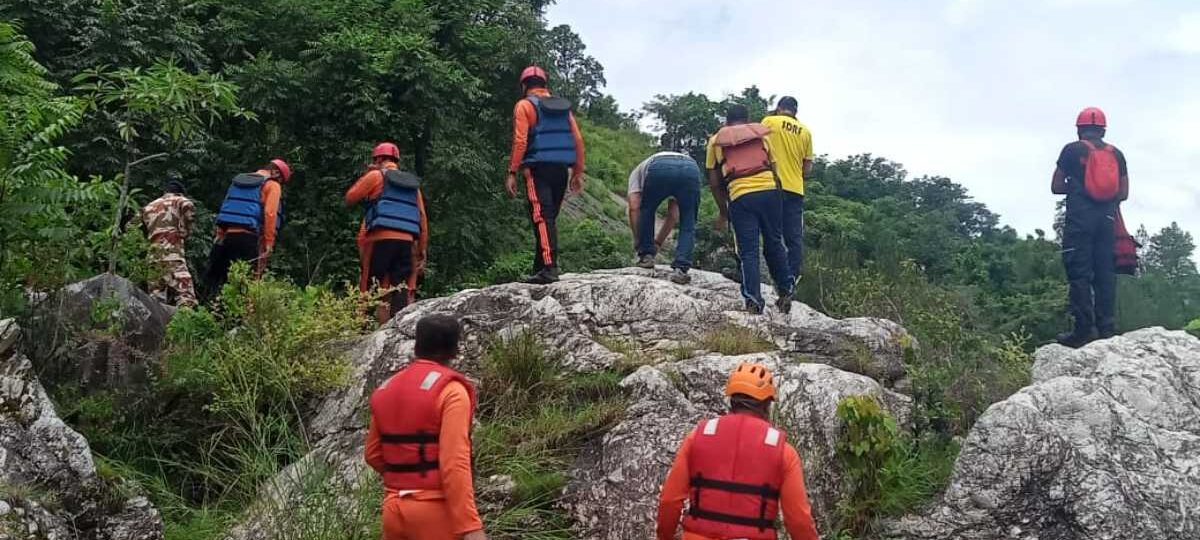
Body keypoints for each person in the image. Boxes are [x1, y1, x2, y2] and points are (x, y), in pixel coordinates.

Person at [656, 362, 819, 540]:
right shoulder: (784, 452)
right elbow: (799, 520)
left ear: (732, 400)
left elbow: (669, 500)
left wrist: (664, 537)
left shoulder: (697, 437)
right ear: (766, 405)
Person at [365, 314, 487, 540]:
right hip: (434, 511)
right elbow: (454, 462)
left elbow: (372, 454)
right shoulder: (451, 391)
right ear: (455, 350)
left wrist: (405, 480)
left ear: (417, 345)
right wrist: (470, 526)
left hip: (393, 510)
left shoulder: (386, 388)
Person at [1051, 107, 1129, 347]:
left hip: (1079, 222)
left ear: (1079, 130)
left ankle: (1083, 330)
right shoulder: (1117, 154)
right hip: (1107, 222)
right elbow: (1123, 193)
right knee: (1105, 273)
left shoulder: (1071, 151)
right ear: (1103, 129)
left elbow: (1055, 186)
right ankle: (1107, 328)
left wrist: (1078, 186)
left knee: (1079, 273)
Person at [706, 104, 794, 314]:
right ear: (747, 120)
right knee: (774, 241)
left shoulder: (716, 140)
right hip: (770, 192)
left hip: (741, 195)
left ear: (727, 122)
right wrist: (778, 197)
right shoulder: (761, 135)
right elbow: (774, 167)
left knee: (748, 251)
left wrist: (723, 210)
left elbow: (714, 179)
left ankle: (753, 301)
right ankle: (786, 289)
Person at [505, 65, 587, 285]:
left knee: (542, 218)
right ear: (545, 85)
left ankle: (549, 268)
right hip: (561, 169)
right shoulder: (562, 109)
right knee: (547, 219)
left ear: (524, 86)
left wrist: (512, 171)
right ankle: (540, 267)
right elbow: (578, 140)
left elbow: (520, 140)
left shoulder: (524, 105)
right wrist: (577, 172)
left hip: (537, 169)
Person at [345, 142, 429, 324]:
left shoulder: (376, 175)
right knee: (399, 287)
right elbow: (422, 218)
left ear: (378, 159)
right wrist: (422, 250)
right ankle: (396, 328)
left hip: (380, 239)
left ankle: (361, 327)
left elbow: (350, 197)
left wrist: (368, 175)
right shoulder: (412, 185)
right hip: (406, 243)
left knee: (370, 285)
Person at [205, 159, 290, 295]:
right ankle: (242, 315)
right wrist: (269, 242)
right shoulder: (272, 185)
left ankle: (213, 312)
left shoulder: (239, 181)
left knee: (223, 282)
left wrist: (220, 234)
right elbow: (270, 213)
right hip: (248, 238)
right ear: (277, 174)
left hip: (228, 237)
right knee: (247, 284)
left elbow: (227, 205)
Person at [627, 150, 702, 284]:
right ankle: (681, 269)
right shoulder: (645, 167)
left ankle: (646, 257)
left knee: (647, 209)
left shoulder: (635, 174)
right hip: (691, 168)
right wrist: (658, 243)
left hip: (659, 167)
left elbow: (634, 207)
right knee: (688, 221)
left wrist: (639, 242)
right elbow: (673, 215)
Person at [761, 96, 814, 283]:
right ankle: (791, 279)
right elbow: (807, 168)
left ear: (779, 108)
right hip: (795, 189)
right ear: (795, 111)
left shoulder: (769, 122)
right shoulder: (806, 132)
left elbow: (759, 147)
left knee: (771, 235)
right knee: (793, 238)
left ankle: (776, 279)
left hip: (771, 185)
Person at [140, 175, 197, 307]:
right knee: (185, 296)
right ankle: (184, 324)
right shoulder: (179, 200)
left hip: (154, 257)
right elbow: (188, 205)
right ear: (179, 192)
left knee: (155, 300)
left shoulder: (149, 206)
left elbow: (133, 225)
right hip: (173, 256)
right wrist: (187, 229)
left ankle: (157, 326)